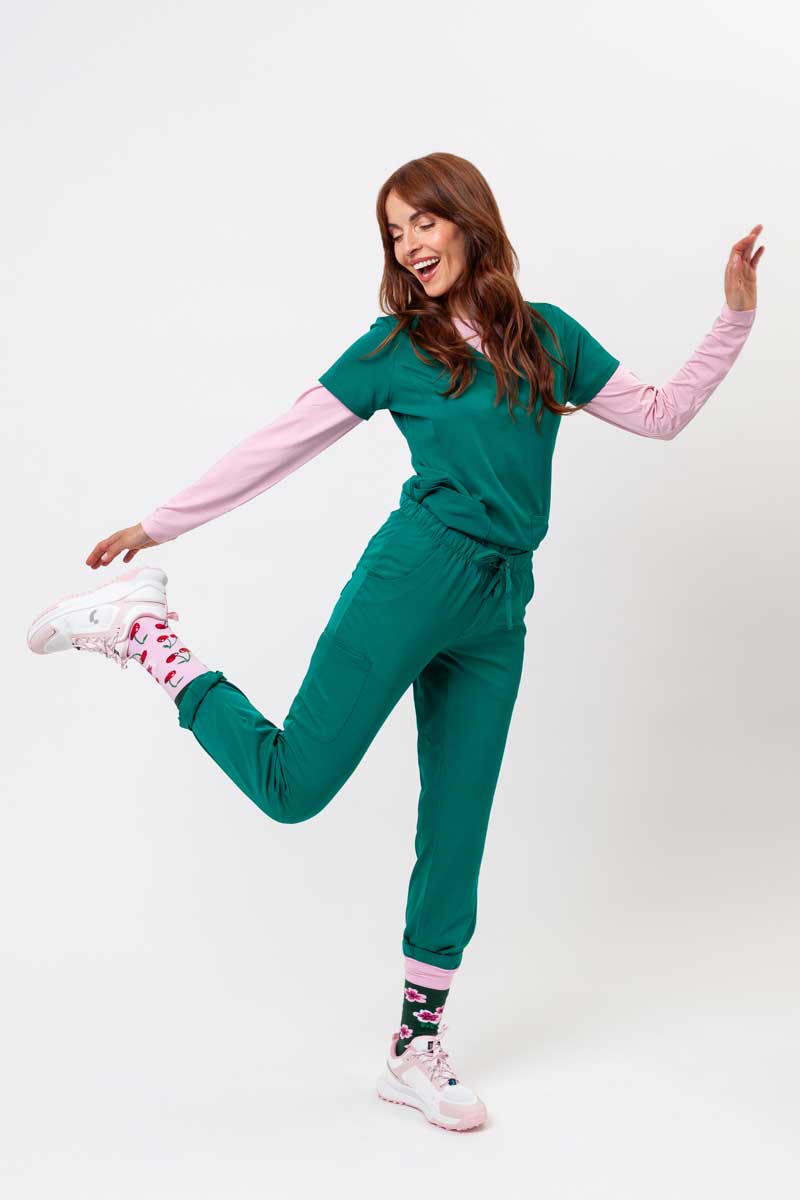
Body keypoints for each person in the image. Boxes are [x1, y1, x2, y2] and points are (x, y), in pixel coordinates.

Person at [26, 153, 762, 1133]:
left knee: (457, 828)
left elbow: (661, 416)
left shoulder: (548, 336)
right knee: (293, 786)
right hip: (413, 577)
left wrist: (732, 318)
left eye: (423, 220)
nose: (409, 243)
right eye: (394, 230)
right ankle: (148, 635)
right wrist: (160, 525)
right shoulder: (394, 349)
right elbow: (281, 441)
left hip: (500, 603)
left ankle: (415, 1048)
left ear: (467, 220)